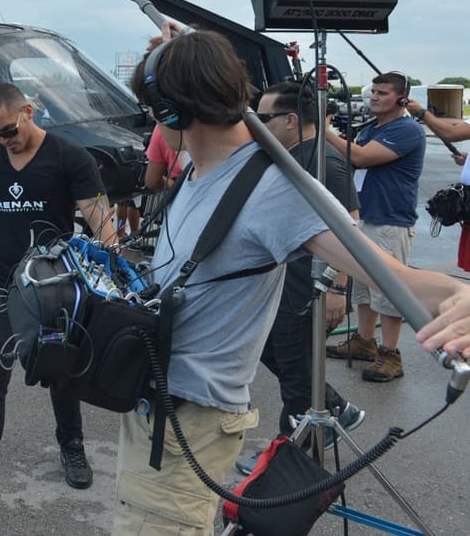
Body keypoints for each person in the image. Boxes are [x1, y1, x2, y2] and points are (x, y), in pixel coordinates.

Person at [115, 29, 470, 533]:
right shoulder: (200, 165)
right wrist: (174, 55)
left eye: (156, 106)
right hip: (157, 405)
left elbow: (384, 272)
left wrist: (457, 292)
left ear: (171, 111)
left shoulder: (268, 191)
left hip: (187, 424)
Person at [0, 84, 117, 517]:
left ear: (28, 111)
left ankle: (71, 445)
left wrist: (113, 274)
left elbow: (100, 218)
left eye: (8, 130)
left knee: (61, 373)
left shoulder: (70, 156)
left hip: (53, 287)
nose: (3, 141)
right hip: (2, 286)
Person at [235, 81, 364, 475]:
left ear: (291, 120)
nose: (257, 125)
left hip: (312, 287)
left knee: (294, 375)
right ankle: (336, 408)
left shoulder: (324, 159)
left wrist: (340, 287)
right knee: (278, 354)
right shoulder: (294, 155)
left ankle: (283, 462)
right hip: (288, 283)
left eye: (265, 117)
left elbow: (350, 227)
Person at [322, 72, 426, 383]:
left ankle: (390, 355)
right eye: (374, 92)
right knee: (364, 287)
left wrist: (324, 130)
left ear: (402, 98)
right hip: (366, 215)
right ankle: (365, 341)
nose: (374, 97)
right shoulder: (374, 128)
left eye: (383, 93)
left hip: (390, 219)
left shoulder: (406, 129)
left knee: (388, 288)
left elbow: (363, 158)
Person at [144, 123, 187, 192]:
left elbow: (152, 181)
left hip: (180, 190)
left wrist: (174, 185)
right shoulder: (207, 121)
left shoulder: (163, 126)